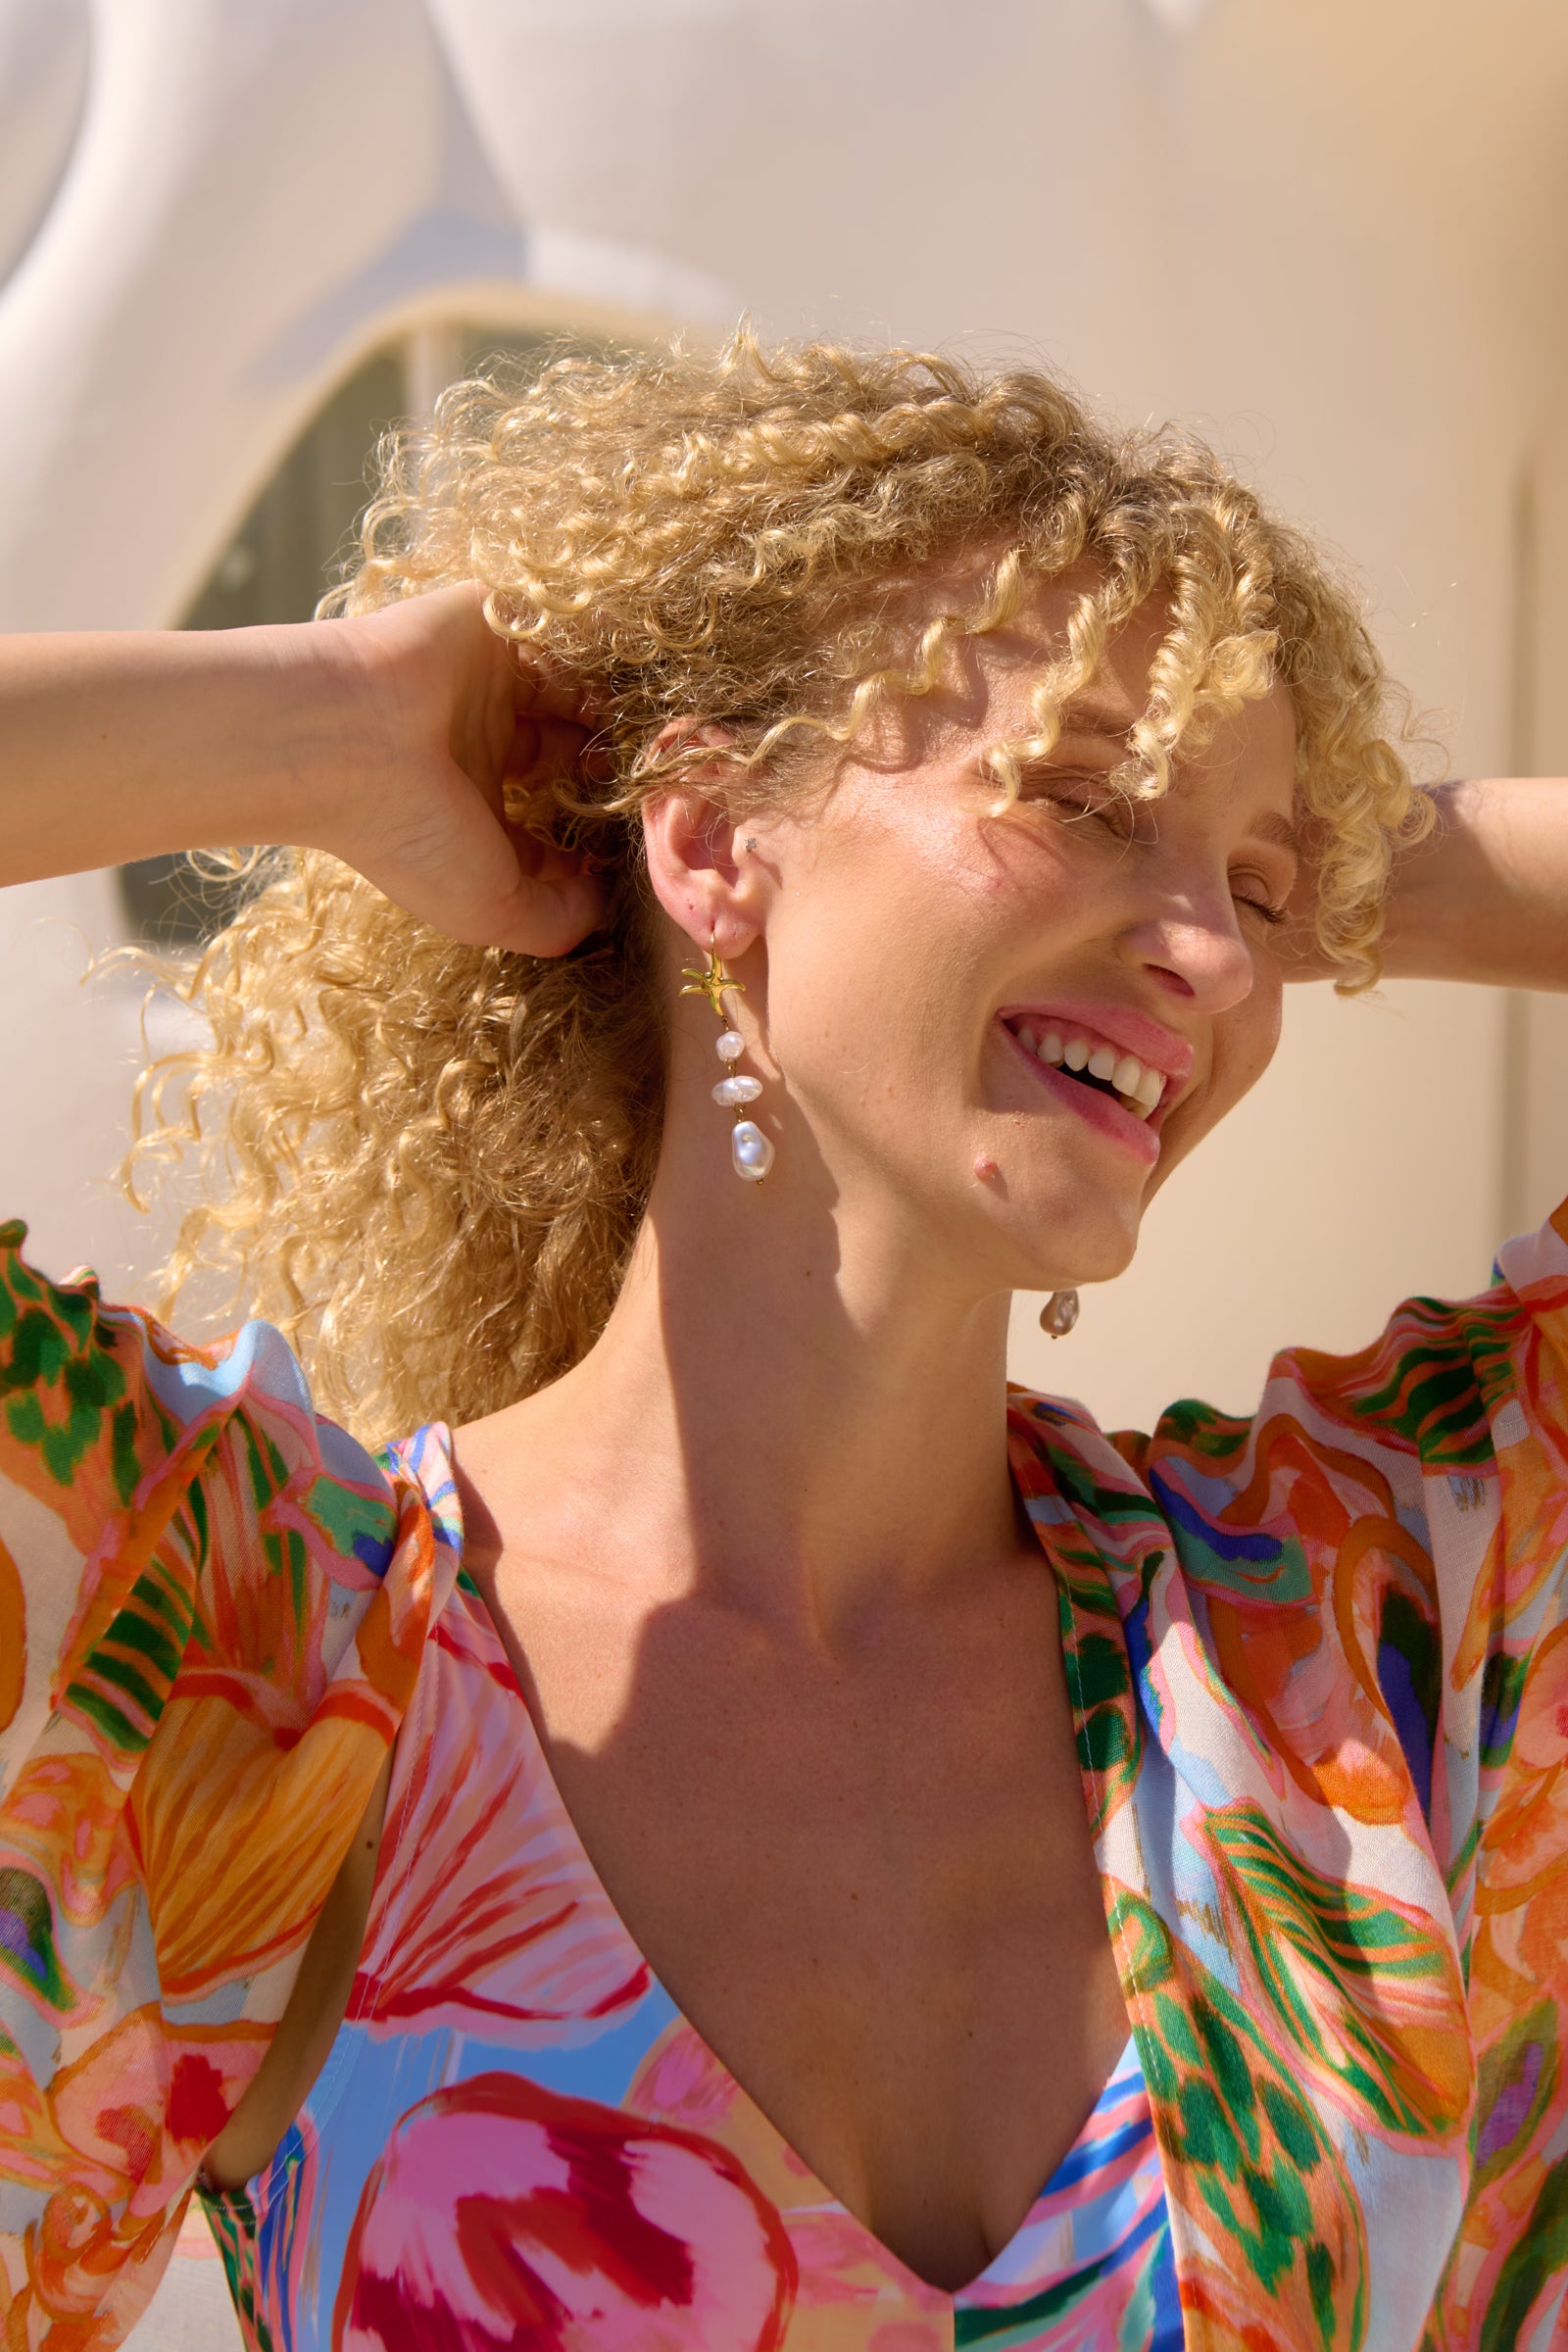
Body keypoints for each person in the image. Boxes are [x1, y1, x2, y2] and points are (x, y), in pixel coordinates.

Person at [2, 334, 1567, 2352]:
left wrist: (1333, 851)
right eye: (1076, 793)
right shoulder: (272, 1655)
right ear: (712, 837)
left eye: (1262, 902)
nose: (1210, 957)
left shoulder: (1360, 1634)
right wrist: (330, 725)